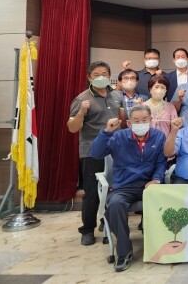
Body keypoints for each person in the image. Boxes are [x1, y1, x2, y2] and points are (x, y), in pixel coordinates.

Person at [90, 105, 166, 272]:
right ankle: (124, 251)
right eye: (136, 121)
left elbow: (161, 162)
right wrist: (106, 132)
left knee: (168, 200)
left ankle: (163, 244)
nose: (141, 123)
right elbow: (96, 153)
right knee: (115, 204)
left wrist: (157, 179)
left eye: (144, 120)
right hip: (124, 186)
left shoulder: (159, 136)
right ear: (129, 123)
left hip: (149, 185)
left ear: (151, 120)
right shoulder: (118, 136)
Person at [67, 61, 123, 246]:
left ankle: (106, 221)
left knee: (114, 188)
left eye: (104, 74)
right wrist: (82, 111)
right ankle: (87, 229)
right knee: (92, 192)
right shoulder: (81, 99)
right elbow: (72, 128)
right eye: (96, 74)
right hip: (92, 151)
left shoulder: (116, 95)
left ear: (109, 76)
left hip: (115, 150)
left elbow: (122, 120)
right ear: (89, 77)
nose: (101, 77)